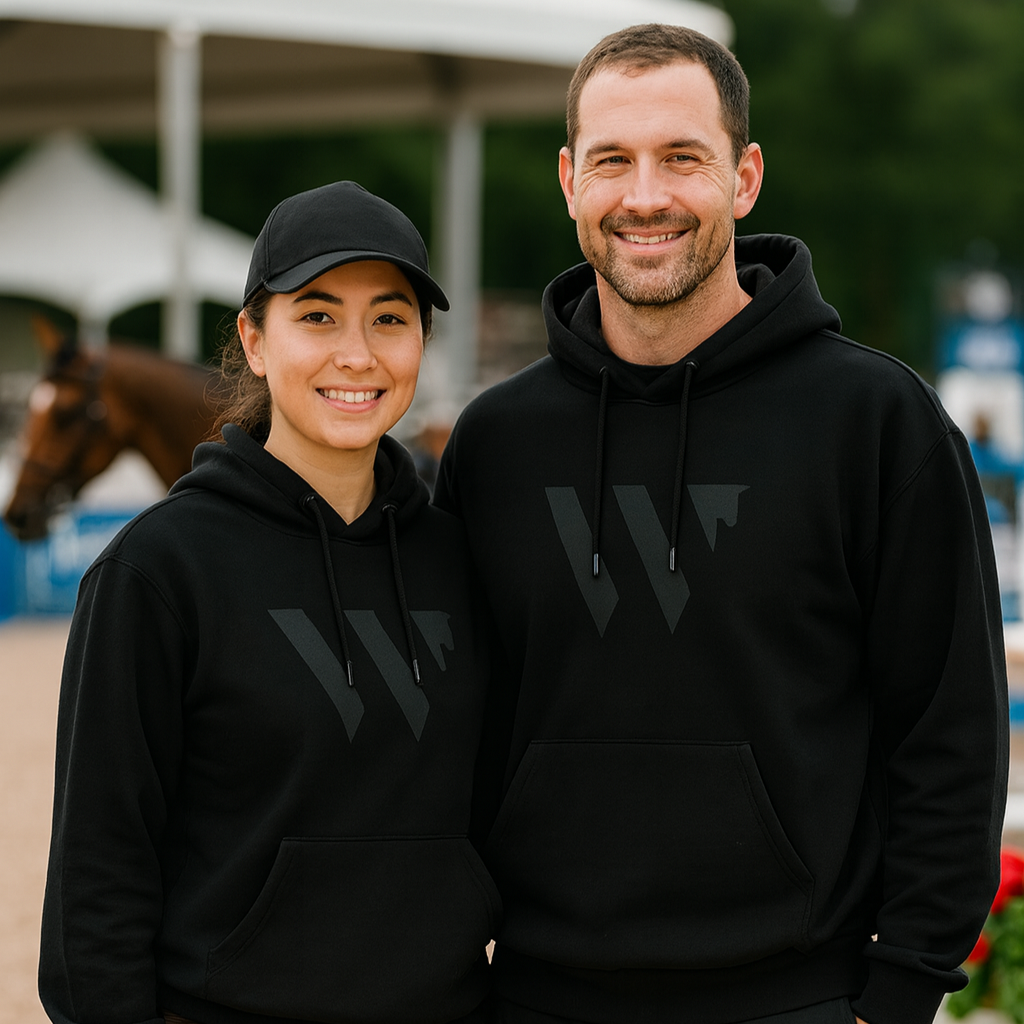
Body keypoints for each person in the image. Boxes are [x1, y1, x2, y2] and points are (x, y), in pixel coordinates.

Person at [433, 22, 1008, 1024]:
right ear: (569, 180)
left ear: (743, 178)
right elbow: (447, 732)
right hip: (534, 994)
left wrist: (902, 989)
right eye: (612, 160)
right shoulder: (494, 444)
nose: (644, 195)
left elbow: (949, 729)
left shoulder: (874, 422)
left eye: (681, 157)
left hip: (799, 997)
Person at [39, 181, 498, 1024]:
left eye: (389, 319)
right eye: (317, 316)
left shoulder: (459, 560)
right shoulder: (157, 570)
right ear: (254, 340)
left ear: (421, 343)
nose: (356, 355)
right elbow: (97, 876)